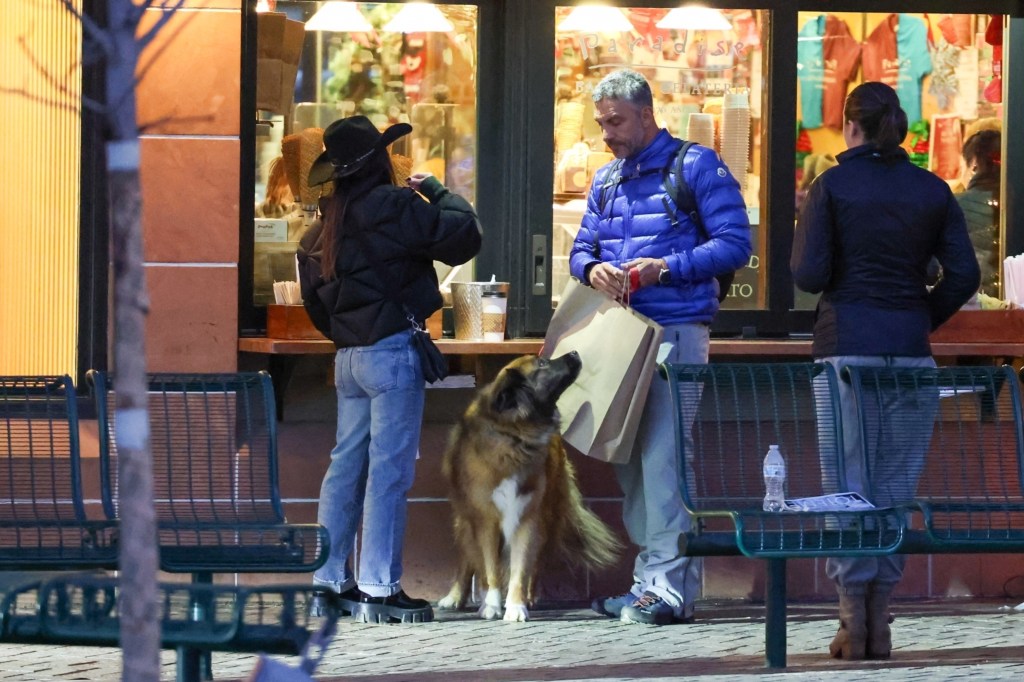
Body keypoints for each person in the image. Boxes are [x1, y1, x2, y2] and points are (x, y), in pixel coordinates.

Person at [791, 82, 979, 659]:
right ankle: (881, 621)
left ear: (851, 127)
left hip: (846, 350)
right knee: (894, 491)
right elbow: (966, 275)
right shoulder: (932, 189)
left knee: (849, 489)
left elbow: (808, 274)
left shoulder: (831, 186)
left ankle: (853, 619)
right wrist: (919, 314)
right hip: (910, 354)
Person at [572, 68, 751, 626]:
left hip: (676, 333)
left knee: (664, 460)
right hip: (620, 338)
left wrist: (665, 269)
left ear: (647, 114)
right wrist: (594, 268)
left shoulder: (695, 165)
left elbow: (735, 243)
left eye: (616, 121)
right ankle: (651, 581)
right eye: (601, 123)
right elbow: (580, 249)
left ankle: (669, 588)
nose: (607, 133)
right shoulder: (605, 180)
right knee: (629, 463)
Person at [297, 115, 482, 623]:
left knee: (345, 468)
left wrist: (350, 336)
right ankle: (379, 587)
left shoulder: (318, 231)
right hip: (392, 356)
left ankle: (328, 581)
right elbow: (464, 236)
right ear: (380, 162)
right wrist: (438, 191)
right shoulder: (398, 206)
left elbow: (317, 309)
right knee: (389, 473)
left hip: (348, 361)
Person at [956, 129, 1001, 297]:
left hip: (971, 308)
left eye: (962, 166)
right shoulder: (1014, 202)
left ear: (973, 163)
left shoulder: (952, 205)